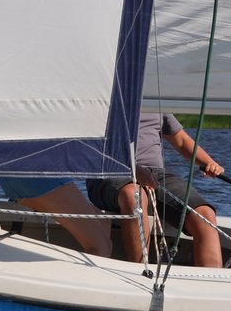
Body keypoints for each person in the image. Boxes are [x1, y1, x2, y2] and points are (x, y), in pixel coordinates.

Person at [86, 113, 224, 268]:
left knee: (205, 215)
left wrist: (209, 163)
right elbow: (87, 147)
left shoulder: (153, 97)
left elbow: (181, 140)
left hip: (156, 174)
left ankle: (212, 284)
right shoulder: (103, 100)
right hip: (109, 171)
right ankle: (141, 273)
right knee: (135, 196)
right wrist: (134, 170)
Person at [0, 176, 111, 258]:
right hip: (40, 176)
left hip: (15, 176)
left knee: (103, 221)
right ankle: (80, 289)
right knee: (101, 247)